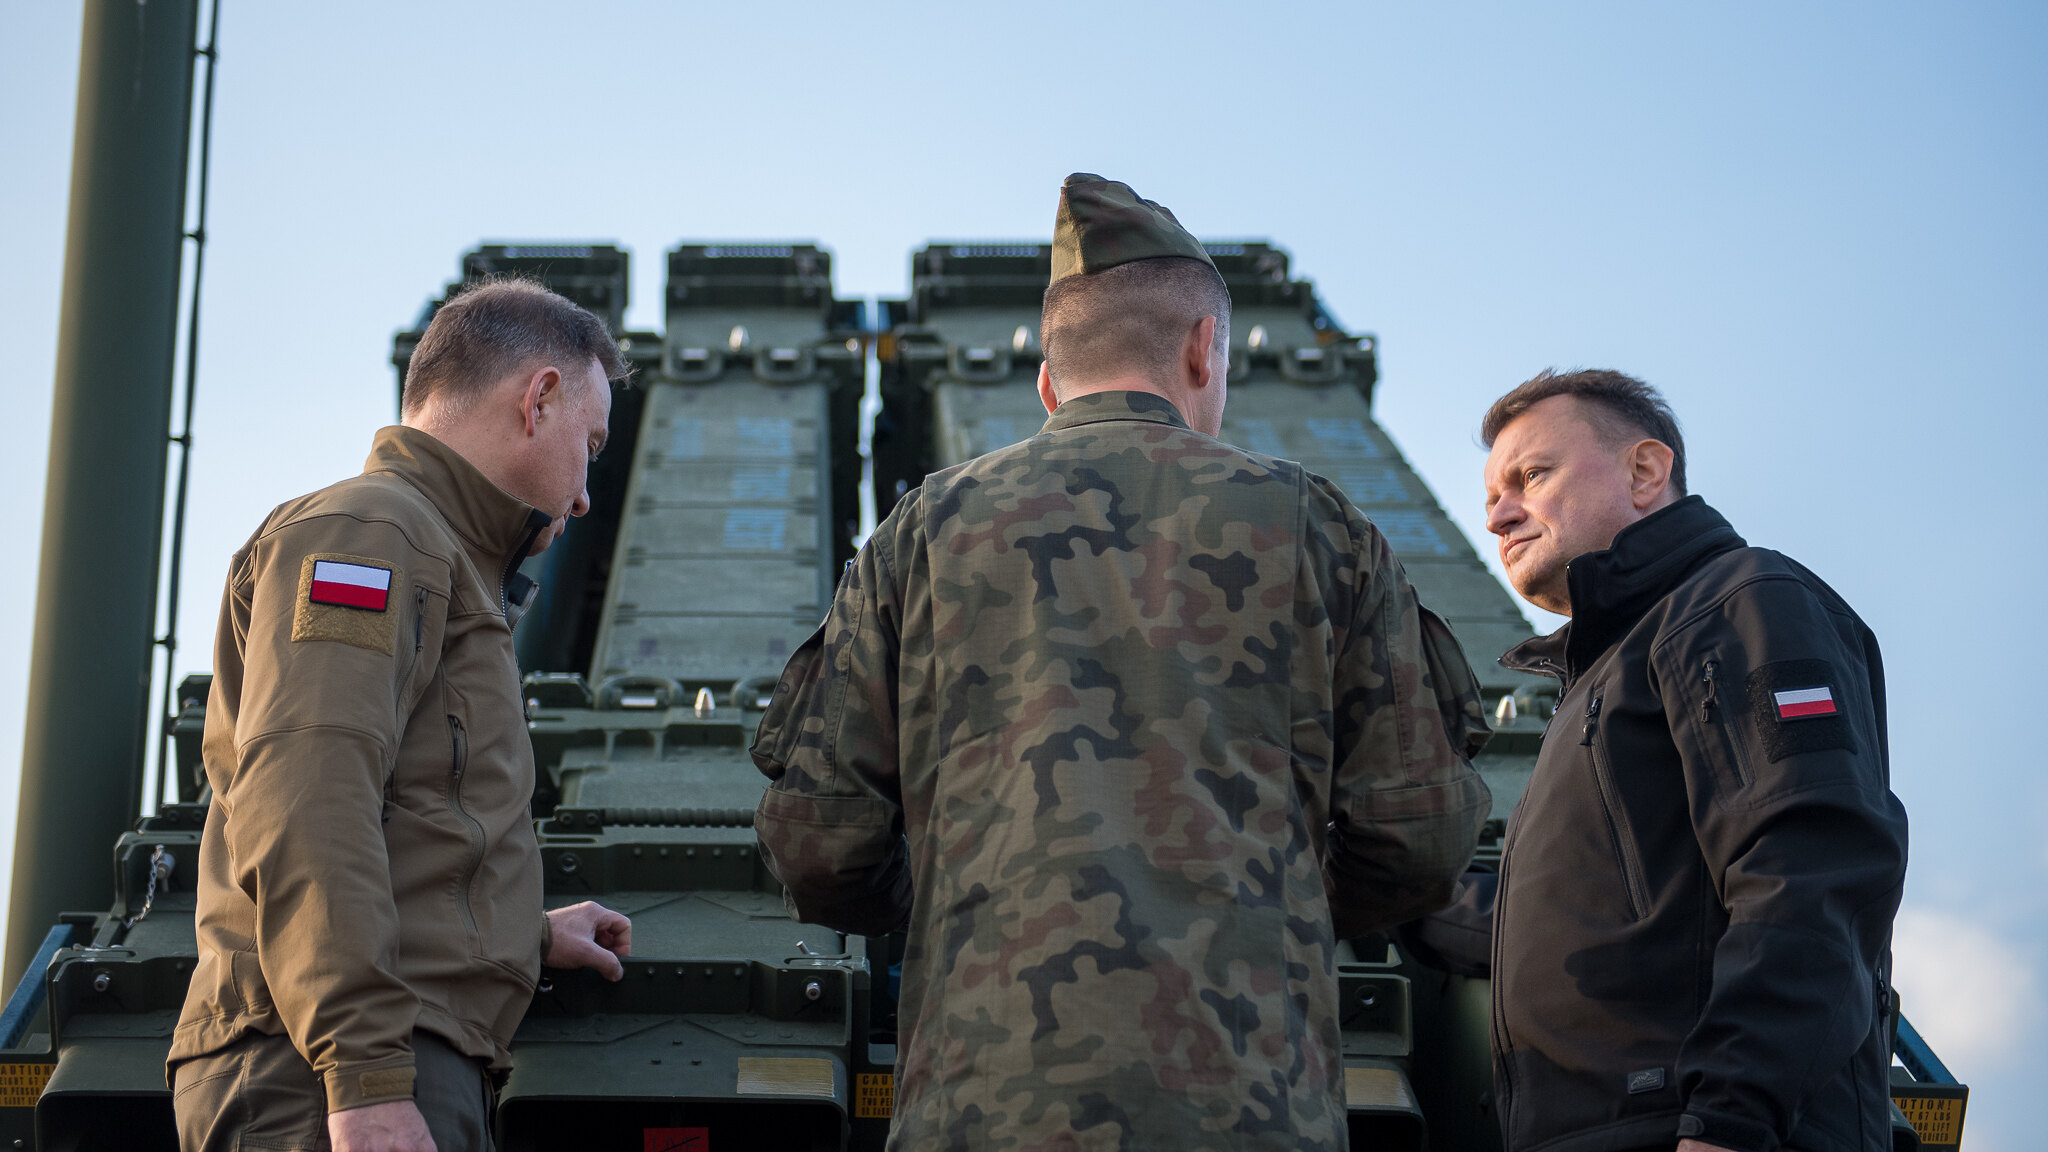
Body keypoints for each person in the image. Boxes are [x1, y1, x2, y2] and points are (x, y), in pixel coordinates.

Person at [751, 173, 1493, 1151]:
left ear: (1047, 381)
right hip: (1249, 1108)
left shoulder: (921, 533)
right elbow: (1418, 834)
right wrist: (1264, 895)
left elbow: (819, 845)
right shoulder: (1320, 527)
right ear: (1201, 347)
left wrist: (964, 892)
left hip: (979, 1111)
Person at [169, 279, 636, 1152]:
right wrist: (366, 1078)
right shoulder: (371, 532)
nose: (581, 497)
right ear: (538, 399)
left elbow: (403, 812)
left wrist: (518, 936)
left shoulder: (432, 554)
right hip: (327, 1080)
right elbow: (309, 795)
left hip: (370, 1061)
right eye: (592, 443)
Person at [1413, 370, 1908, 1152]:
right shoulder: (1602, 682)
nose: (1500, 514)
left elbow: (1811, 863)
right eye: (1490, 499)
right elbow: (1573, 930)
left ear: (1647, 471)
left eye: (1532, 476)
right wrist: (1381, 883)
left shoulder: (1739, 604)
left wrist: (1732, 1120)